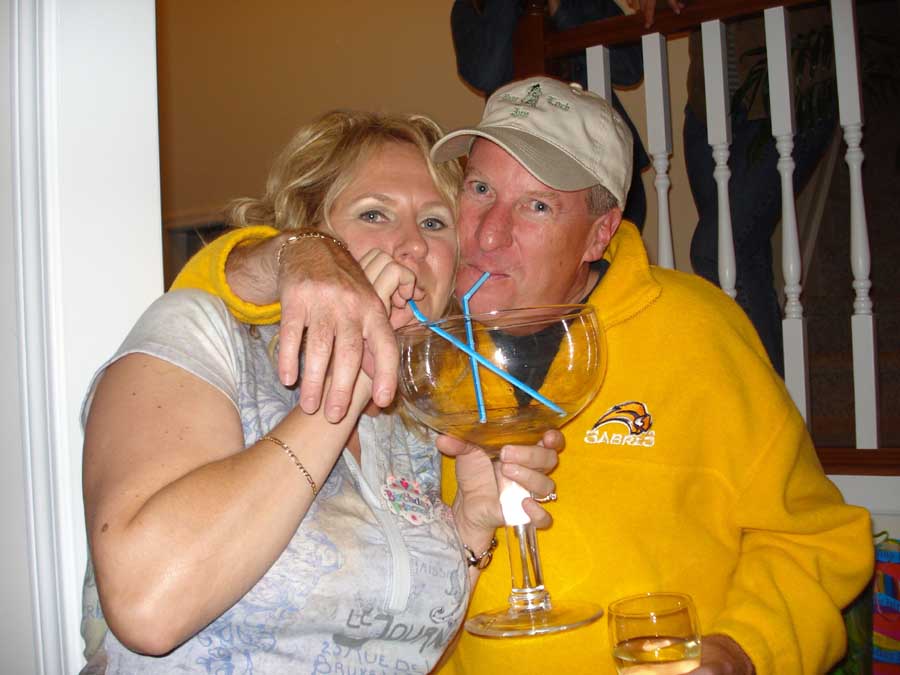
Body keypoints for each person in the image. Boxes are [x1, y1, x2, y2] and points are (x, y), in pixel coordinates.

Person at [171, 77, 873, 674]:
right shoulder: (416, 333)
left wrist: (743, 649)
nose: (487, 233)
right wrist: (296, 255)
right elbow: (193, 306)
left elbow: (815, 540)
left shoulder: (697, 332)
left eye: (537, 205)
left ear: (600, 232)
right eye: (479, 188)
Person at [79, 110, 562, 674]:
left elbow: (400, 650)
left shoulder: (415, 423)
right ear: (316, 238)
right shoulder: (205, 332)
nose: (411, 245)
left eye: (435, 223)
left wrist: (471, 525)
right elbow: (147, 609)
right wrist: (350, 377)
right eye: (374, 214)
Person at [684, 6, 837, 377]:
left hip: (792, 88)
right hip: (710, 106)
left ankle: (762, 401)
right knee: (742, 260)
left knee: (716, 249)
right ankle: (772, 399)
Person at [449, 0, 655, 229]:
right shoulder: (471, 6)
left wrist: (560, 8)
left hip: (600, 161)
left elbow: (630, 68)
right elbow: (484, 73)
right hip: (519, 162)